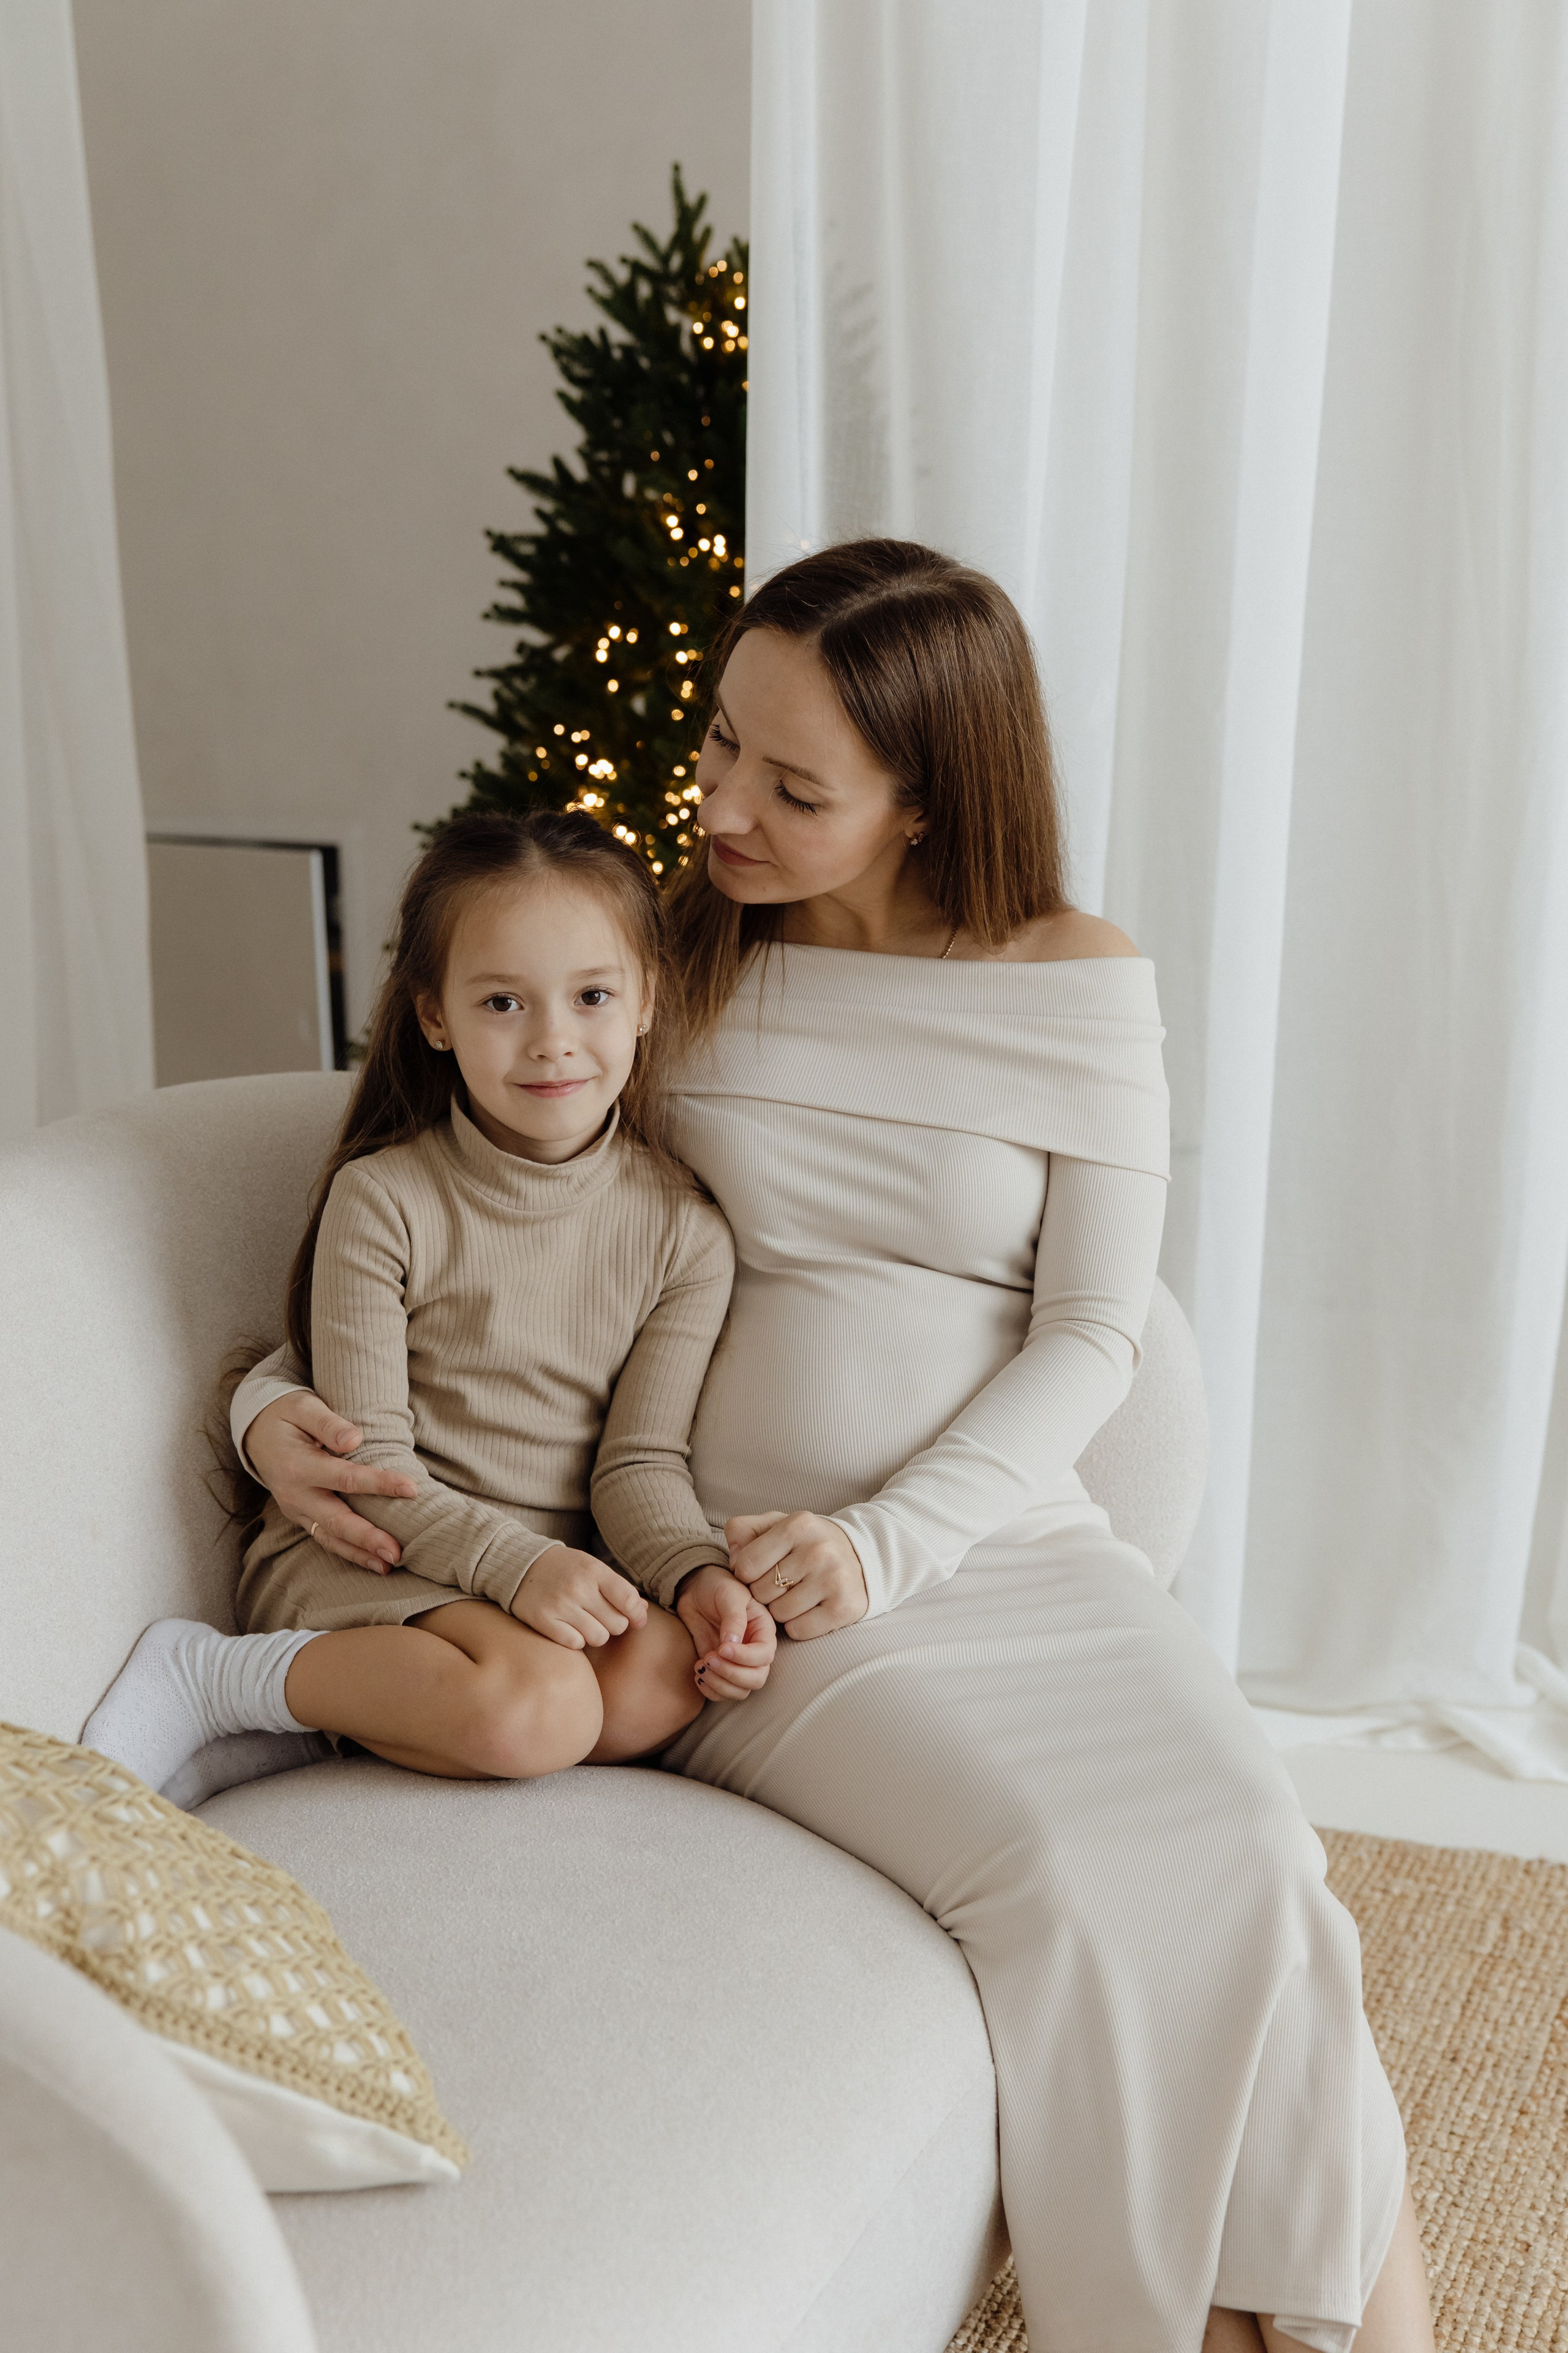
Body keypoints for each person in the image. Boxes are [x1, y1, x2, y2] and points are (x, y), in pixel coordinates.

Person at [223, 543, 1434, 2352]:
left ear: (928, 799)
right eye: (720, 747)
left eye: (792, 787)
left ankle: (1338, 2329)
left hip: (994, 1551)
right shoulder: (674, 962)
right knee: (1066, 1872)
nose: (719, 804)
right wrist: (261, 1406)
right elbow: (421, 1169)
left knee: (1254, 1849)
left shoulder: (1075, 978)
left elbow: (1098, 1330)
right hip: (760, 1604)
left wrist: (895, 1534)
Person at [84, 811, 776, 1805]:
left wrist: (697, 1573)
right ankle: (218, 1678)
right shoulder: (387, 1199)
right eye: (503, 1001)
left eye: (591, 995)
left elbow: (637, 1464)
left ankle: (332, 1721)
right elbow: (369, 1471)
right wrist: (518, 1566)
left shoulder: (684, 1233)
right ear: (435, 1015)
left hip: (527, 1581)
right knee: (546, 1708)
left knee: (665, 1676)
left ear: (646, 1002)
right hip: (376, 1553)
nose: (553, 1042)